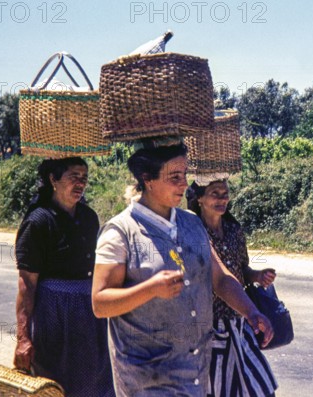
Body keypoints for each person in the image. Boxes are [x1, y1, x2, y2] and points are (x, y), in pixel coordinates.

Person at [91, 141, 273, 397]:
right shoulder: (121, 232)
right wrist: (151, 288)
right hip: (146, 378)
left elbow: (220, 279)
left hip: (194, 374)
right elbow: (100, 303)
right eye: (174, 177)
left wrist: (251, 311)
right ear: (148, 179)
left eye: (185, 175)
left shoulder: (192, 224)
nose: (184, 184)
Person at [14, 157, 115, 397]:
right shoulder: (38, 222)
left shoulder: (89, 218)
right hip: (54, 317)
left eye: (84, 178)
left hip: (90, 316)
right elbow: (27, 286)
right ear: (53, 179)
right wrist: (23, 338)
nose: (80, 183)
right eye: (74, 177)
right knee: (56, 385)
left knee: (97, 378)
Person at [187, 179, 278, 397]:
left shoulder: (234, 230)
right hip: (210, 325)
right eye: (215, 193)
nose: (222, 199)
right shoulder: (192, 233)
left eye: (225, 193)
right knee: (218, 387)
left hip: (239, 320)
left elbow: (240, 269)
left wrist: (257, 275)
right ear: (199, 198)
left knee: (258, 385)